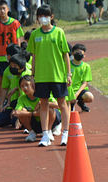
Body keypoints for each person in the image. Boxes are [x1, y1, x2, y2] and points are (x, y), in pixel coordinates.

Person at [28, 4, 71, 147]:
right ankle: (45, 135)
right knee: (43, 104)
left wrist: (68, 74)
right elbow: (34, 56)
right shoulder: (35, 34)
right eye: (40, 16)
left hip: (58, 75)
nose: (43, 18)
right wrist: (32, 76)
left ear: (51, 17)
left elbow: (65, 54)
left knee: (62, 104)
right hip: (41, 76)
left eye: (45, 16)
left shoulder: (59, 32)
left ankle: (66, 133)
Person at [0, 0, 24, 98]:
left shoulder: (15, 23)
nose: (2, 11)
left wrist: (19, 55)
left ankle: (17, 99)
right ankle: (2, 100)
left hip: (13, 56)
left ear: (8, 9)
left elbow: (18, 40)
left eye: (4, 8)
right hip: (0, 56)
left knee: (16, 78)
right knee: (1, 80)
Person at [13, 76, 62, 143]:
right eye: (22, 86)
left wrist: (41, 103)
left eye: (27, 85)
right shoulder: (22, 98)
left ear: (33, 84)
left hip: (48, 121)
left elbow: (58, 105)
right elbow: (17, 113)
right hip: (35, 123)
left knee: (50, 108)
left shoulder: (43, 95)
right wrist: (34, 113)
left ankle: (49, 130)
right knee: (23, 111)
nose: (25, 88)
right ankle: (32, 133)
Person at [0, 51, 32, 128]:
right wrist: (2, 104)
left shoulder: (27, 75)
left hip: (24, 104)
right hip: (12, 103)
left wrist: (16, 109)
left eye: (15, 67)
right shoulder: (7, 71)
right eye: (11, 65)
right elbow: (5, 88)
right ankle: (16, 118)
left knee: (14, 121)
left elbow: (23, 96)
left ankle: (21, 119)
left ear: (22, 68)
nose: (12, 68)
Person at [67, 44, 94, 112]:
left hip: (79, 90)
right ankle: (71, 104)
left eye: (80, 53)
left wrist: (76, 94)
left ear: (84, 54)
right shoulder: (67, 65)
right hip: (68, 90)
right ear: (73, 54)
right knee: (67, 110)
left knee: (90, 97)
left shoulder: (86, 66)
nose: (78, 54)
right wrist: (71, 95)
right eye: (77, 52)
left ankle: (80, 103)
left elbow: (84, 83)